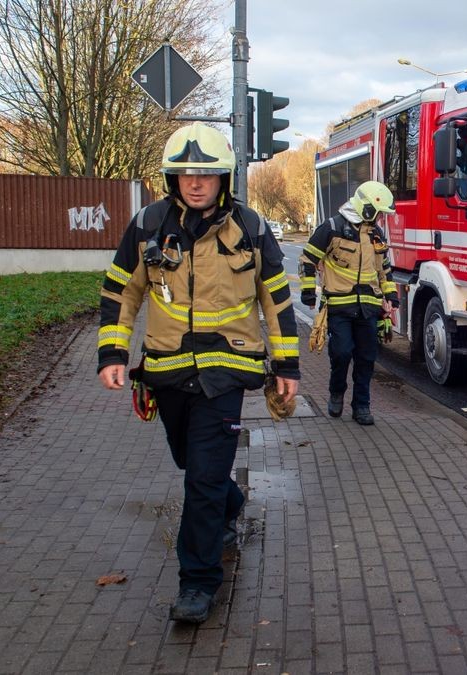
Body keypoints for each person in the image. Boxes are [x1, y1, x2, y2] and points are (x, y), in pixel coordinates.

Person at [96, 122, 299, 624]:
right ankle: (230, 504)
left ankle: (198, 583)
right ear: (172, 178)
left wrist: (286, 364)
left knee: (202, 481)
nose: (195, 182)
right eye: (185, 173)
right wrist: (113, 353)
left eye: (206, 173)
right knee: (194, 466)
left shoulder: (250, 228)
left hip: (227, 373)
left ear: (223, 178)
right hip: (167, 374)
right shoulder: (148, 224)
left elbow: (275, 299)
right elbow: (122, 292)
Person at [298, 181, 399, 426]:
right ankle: (336, 393)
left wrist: (391, 296)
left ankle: (361, 406)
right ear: (367, 208)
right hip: (339, 307)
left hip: (368, 309)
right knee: (341, 354)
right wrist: (308, 292)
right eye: (378, 213)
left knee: (366, 359)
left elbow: (384, 270)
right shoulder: (332, 228)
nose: (380, 219)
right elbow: (308, 259)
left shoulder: (376, 235)